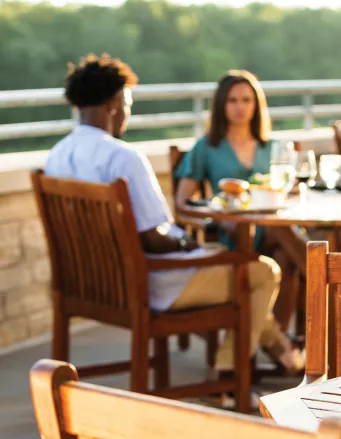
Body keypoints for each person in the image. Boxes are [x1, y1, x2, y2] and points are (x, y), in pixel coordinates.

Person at [44, 54, 302, 393]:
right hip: (147, 285)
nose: (127, 112)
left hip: (90, 286)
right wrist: (188, 244)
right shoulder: (124, 157)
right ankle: (227, 377)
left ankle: (280, 350)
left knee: (242, 270)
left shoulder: (55, 156)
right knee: (262, 272)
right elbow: (155, 237)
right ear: (113, 104)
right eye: (128, 103)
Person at [173, 70, 309, 338]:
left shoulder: (272, 147)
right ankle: (326, 285)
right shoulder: (206, 147)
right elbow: (182, 204)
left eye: (247, 100)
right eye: (232, 100)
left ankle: (278, 341)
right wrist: (216, 218)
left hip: (272, 232)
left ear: (257, 105)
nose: (240, 107)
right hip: (232, 234)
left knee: (283, 255)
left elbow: (289, 194)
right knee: (284, 234)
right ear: (221, 105)